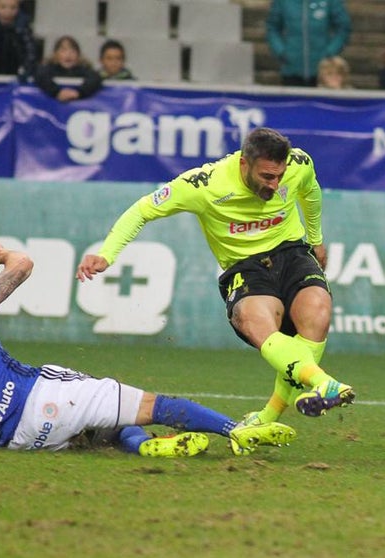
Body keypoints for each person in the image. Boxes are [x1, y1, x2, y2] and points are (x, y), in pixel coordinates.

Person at [0, 240, 297, 457]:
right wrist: (3, 254)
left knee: (106, 424)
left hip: (19, 441)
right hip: (41, 399)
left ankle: (146, 446)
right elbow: (23, 266)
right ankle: (238, 432)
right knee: (155, 404)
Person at [76, 127, 355, 427]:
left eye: (279, 176)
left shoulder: (299, 164)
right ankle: (322, 383)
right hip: (245, 267)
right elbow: (142, 210)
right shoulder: (204, 184)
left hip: (292, 253)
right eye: (266, 177)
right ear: (244, 164)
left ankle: (269, 417)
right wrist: (107, 254)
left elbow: (310, 191)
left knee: (318, 313)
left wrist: (316, 239)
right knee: (256, 321)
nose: (274, 185)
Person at [266, 0, 351, 87]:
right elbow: (272, 28)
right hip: (291, 70)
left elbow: (343, 28)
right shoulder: (282, 2)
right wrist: (281, 51)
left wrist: (330, 52)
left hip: (322, 73)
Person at [35, 35, 102, 102]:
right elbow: (40, 75)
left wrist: (78, 92)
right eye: (63, 50)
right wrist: (57, 92)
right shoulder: (47, 69)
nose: (68, 54)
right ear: (55, 54)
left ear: (78, 55)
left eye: (72, 51)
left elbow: (96, 77)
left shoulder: (84, 70)